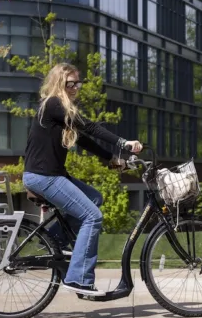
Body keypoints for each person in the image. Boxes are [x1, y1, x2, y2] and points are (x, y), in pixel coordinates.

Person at [22, 63, 142, 297]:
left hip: (50, 175)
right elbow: (90, 127)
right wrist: (123, 143)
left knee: (94, 198)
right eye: (71, 83)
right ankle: (79, 279)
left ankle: (54, 242)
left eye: (79, 83)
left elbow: (84, 139)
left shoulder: (60, 109)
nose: (76, 87)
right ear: (59, 83)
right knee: (92, 217)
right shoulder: (53, 104)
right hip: (44, 176)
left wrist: (110, 158)